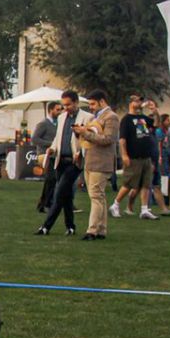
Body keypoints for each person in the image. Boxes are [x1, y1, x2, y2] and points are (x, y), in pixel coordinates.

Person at [36, 90, 80, 235]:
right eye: (63, 105)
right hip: (60, 160)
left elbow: (88, 140)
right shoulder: (61, 118)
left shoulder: (87, 117)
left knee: (59, 192)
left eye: (67, 105)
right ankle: (70, 226)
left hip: (74, 162)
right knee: (66, 195)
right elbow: (58, 139)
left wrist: (81, 152)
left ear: (76, 102)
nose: (65, 108)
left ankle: (46, 226)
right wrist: (52, 149)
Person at [77, 89, 119, 239]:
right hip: (91, 161)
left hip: (101, 163)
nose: (91, 107)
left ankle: (92, 230)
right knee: (98, 197)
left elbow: (108, 139)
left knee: (96, 196)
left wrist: (85, 133)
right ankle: (101, 230)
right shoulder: (96, 117)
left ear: (102, 101)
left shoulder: (111, 117)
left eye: (93, 104)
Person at [112, 94, 157, 220]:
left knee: (146, 184)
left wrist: (154, 111)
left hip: (146, 157)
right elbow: (122, 139)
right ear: (131, 103)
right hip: (133, 157)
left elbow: (156, 124)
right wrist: (124, 154)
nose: (140, 103)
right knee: (129, 184)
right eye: (137, 101)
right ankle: (115, 204)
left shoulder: (142, 118)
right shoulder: (126, 119)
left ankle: (144, 209)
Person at [33, 102, 62, 212]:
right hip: (45, 155)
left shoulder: (58, 123)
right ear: (50, 110)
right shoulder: (43, 124)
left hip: (54, 155)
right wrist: (51, 143)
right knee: (51, 179)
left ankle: (45, 203)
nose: (60, 112)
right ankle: (46, 203)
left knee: (52, 180)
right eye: (57, 110)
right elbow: (35, 139)